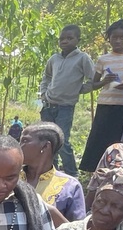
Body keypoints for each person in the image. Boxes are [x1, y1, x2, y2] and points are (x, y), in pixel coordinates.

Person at [80, 19, 123, 173]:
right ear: (108, 38)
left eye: (121, 37)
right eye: (113, 37)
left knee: (118, 138)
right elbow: (93, 84)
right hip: (105, 103)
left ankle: (117, 169)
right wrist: (104, 81)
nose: (117, 41)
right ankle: (96, 169)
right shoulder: (104, 59)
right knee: (99, 136)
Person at [39, 24, 94, 173]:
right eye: (62, 38)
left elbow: (92, 79)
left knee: (62, 142)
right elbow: (47, 76)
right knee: (48, 140)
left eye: (69, 38)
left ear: (78, 40)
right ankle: (51, 172)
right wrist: (44, 93)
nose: (65, 41)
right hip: (49, 105)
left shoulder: (83, 58)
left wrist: (77, 90)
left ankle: (72, 173)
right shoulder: (54, 59)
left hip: (66, 107)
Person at [19, 121, 86, 222]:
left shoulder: (70, 186)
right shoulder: (11, 177)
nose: (19, 146)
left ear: (45, 146)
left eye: (25, 141)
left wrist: (50, 212)